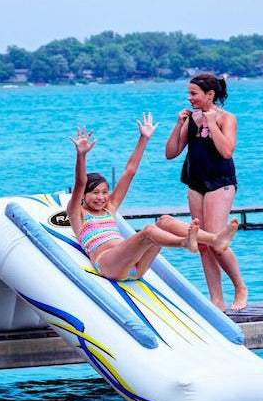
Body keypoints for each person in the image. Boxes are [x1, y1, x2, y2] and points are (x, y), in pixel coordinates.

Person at [68, 113, 238, 282]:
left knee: (165, 221)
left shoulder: (109, 208)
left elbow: (130, 170)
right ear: (83, 195)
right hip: (108, 265)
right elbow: (80, 182)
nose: (101, 197)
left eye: (104, 192)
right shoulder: (78, 214)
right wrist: (81, 155)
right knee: (149, 230)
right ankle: (183, 242)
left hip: (136, 267)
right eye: (95, 193)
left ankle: (214, 239)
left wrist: (144, 138)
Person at [164, 73, 249, 311]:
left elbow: (227, 151)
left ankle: (240, 288)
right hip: (195, 183)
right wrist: (179, 124)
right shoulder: (191, 119)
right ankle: (217, 299)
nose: (189, 98)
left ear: (209, 95)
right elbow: (171, 153)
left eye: (194, 94)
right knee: (202, 242)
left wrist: (211, 122)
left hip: (220, 182)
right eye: (189, 94)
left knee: (214, 240)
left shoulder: (227, 118)